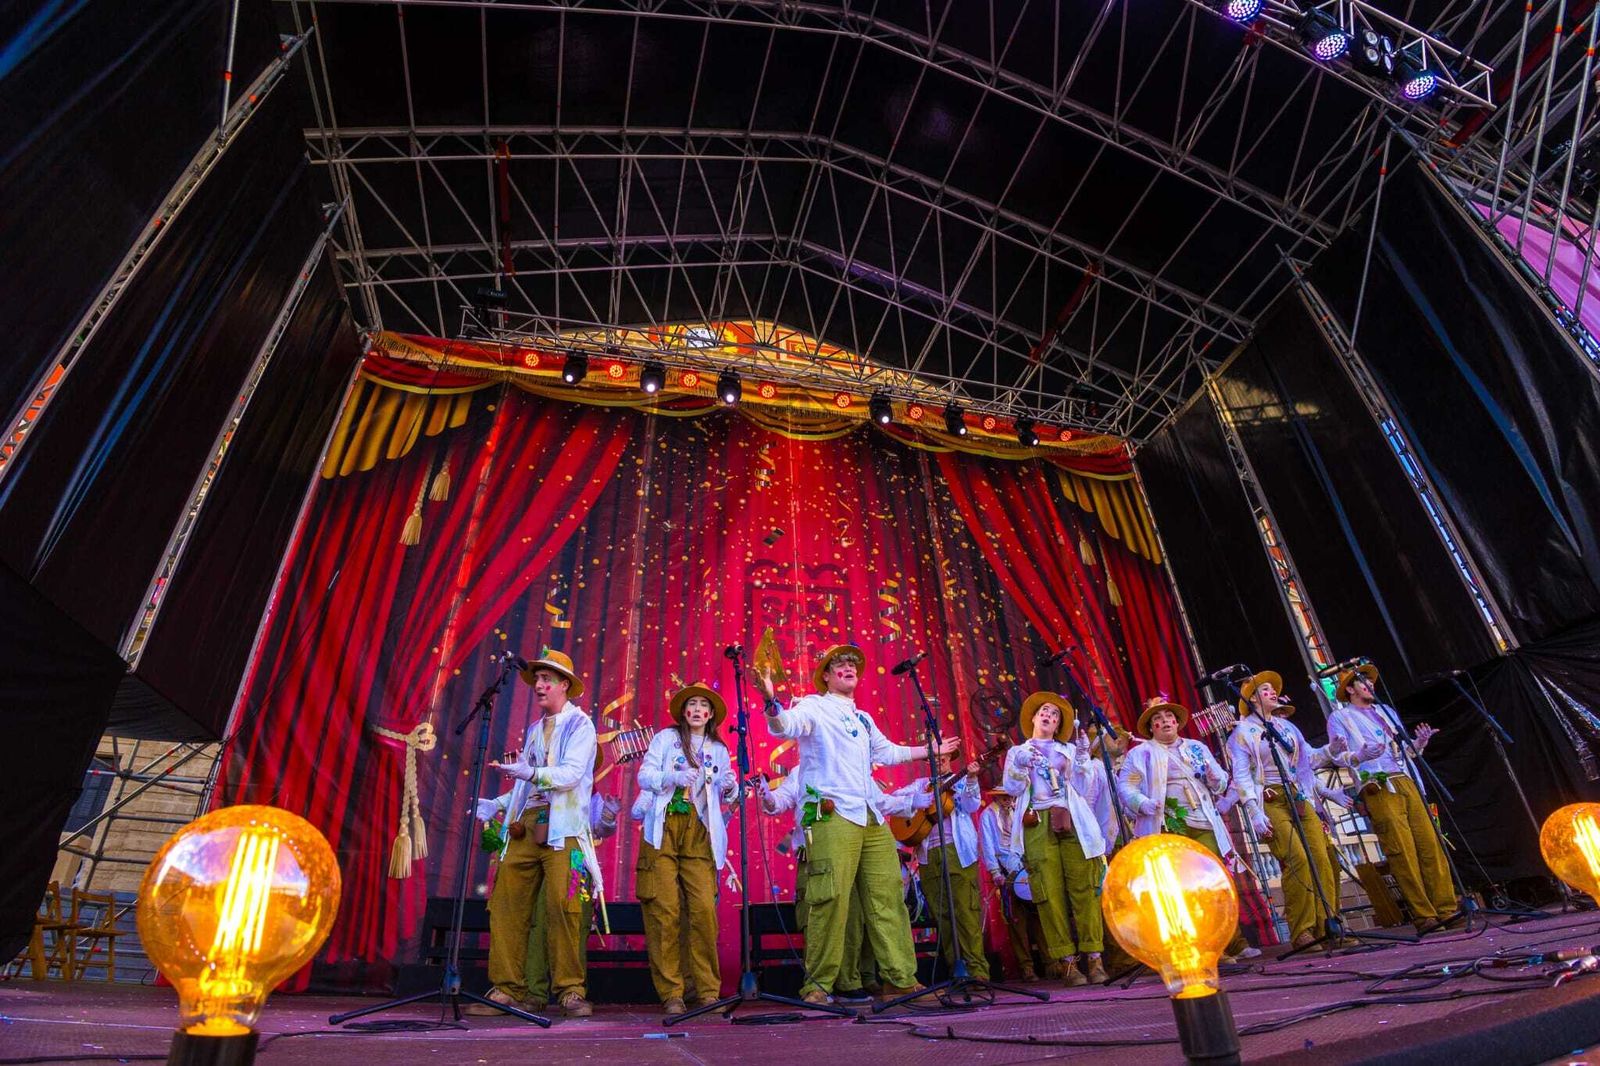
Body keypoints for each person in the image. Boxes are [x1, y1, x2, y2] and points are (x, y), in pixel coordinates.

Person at [757, 643, 959, 1005]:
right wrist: (772, 701)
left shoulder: (864, 718)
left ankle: (901, 980)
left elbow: (888, 752)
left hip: (871, 816)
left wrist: (930, 751)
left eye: (852, 664)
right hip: (833, 815)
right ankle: (818, 986)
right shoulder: (813, 706)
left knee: (888, 898)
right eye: (839, 664)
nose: (847, 668)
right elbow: (784, 726)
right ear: (827, 675)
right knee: (829, 898)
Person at [472, 649, 599, 1017]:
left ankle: (571, 991)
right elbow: (527, 786)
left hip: (569, 830)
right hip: (527, 824)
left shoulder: (582, 726)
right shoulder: (533, 730)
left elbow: (571, 775)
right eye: (537, 680)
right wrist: (496, 803)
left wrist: (529, 773)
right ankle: (508, 988)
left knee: (566, 905)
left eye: (547, 680)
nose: (539, 686)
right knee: (507, 903)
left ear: (564, 686)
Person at [1117, 696, 1259, 960]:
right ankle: (1205, 947)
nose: (1164, 722)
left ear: (1177, 721)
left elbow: (1219, 783)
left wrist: (1215, 777)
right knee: (1183, 888)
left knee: (1214, 883)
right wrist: (1144, 803)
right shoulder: (1141, 753)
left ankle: (1234, 941)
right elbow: (1126, 786)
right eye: (1157, 719)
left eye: (1168, 717)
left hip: (1203, 820)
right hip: (1168, 826)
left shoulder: (1197, 748)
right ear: (1151, 728)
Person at [760, 764, 917, 999]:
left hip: (852, 854)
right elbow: (780, 800)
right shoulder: (802, 770)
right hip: (815, 856)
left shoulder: (852, 768)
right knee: (823, 911)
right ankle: (820, 985)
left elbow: (880, 802)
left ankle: (851, 980)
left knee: (855, 919)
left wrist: (915, 802)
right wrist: (769, 798)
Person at [1225, 670, 1350, 949]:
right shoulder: (1243, 733)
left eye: (1272, 689)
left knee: (1321, 856)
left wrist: (1331, 750)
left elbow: (1308, 759)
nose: (1272, 692)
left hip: (1297, 794)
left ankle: (1330, 924)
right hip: (1269, 798)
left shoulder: (1286, 728)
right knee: (1297, 858)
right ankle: (1303, 930)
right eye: (1265, 690)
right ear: (1254, 699)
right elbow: (1242, 775)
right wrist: (1254, 811)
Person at [634, 682, 740, 1015]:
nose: (696, 710)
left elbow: (727, 794)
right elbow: (644, 775)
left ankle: (707, 990)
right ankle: (673, 992)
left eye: (702, 706)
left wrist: (732, 787)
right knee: (665, 911)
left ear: (710, 715)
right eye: (691, 705)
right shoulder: (666, 739)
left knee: (703, 912)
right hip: (664, 827)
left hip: (700, 831)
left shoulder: (718, 748)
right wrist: (670, 778)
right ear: (684, 711)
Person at [1327, 663, 1455, 933]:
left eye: (1369, 681)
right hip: (1378, 784)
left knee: (1429, 843)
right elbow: (1337, 755)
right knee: (1402, 849)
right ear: (1349, 689)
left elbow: (1403, 751)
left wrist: (1419, 743)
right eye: (1361, 682)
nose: (1369, 685)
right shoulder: (1341, 718)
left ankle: (1447, 908)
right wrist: (1360, 757)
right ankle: (1424, 914)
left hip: (1405, 779)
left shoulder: (1386, 712)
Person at [1001, 691, 1113, 986]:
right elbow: (1011, 788)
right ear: (1034, 718)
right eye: (1044, 712)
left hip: (1072, 818)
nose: (1049, 716)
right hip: (1037, 822)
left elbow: (1083, 786)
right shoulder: (1018, 751)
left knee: (1085, 890)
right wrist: (1020, 764)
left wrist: (1083, 759)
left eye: (1056, 714)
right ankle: (1067, 963)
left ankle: (1094, 957)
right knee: (1048, 893)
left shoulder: (1068, 749)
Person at [524, 755, 620, 1007]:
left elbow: (599, 828)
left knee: (574, 921)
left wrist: (609, 815)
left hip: (576, 859)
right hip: (543, 858)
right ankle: (534, 992)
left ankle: (571, 992)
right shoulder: (542, 785)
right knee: (538, 923)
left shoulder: (590, 791)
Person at [890, 757, 988, 980]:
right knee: (942, 915)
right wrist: (919, 800)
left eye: (943, 757)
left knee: (965, 912)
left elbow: (972, 805)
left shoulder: (960, 780)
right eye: (935, 758)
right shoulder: (920, 783)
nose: (939, 761)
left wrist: (972, 778)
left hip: (957, 851)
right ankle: (957, 972)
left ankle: (978, 972)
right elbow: (895, 797)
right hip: (927, 856)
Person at [979, 788, 1042, 981]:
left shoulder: (1022, 809)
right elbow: (987, 845)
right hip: (1007, 870)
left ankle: (1052, 962)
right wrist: (995, 871)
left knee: (1040, 916)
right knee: (1016, 921)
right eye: (1004, 796)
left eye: (1011, 795)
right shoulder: (988, 815)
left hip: (1027, 866)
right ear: (996, 795)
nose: (1008, 799)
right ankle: (1026, 967)